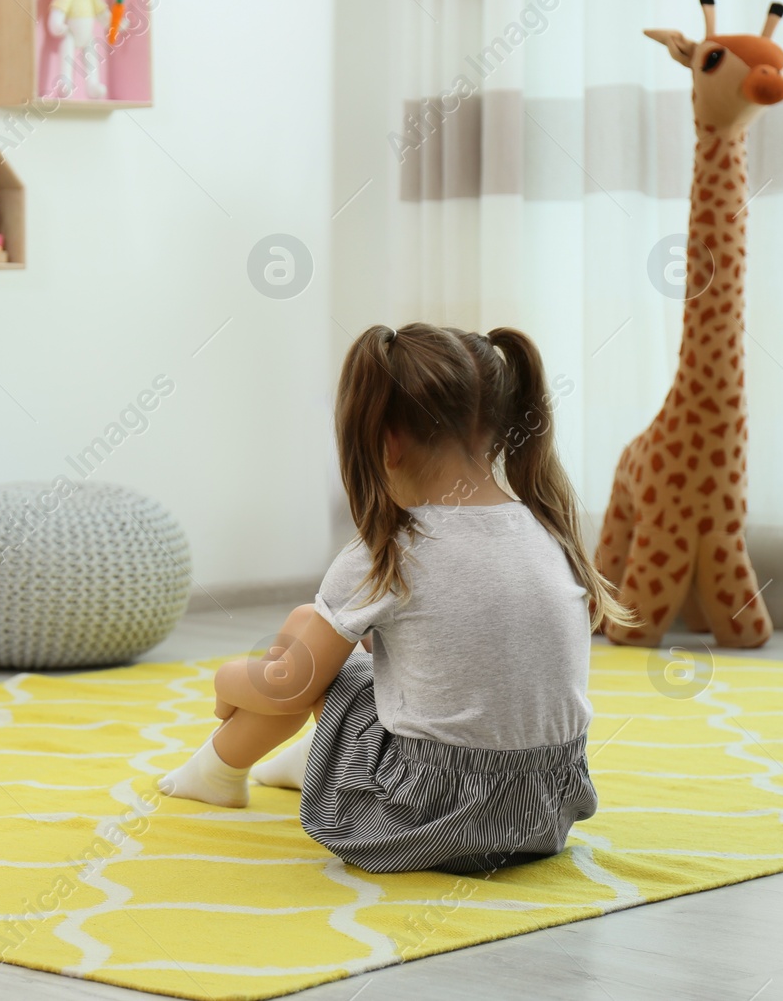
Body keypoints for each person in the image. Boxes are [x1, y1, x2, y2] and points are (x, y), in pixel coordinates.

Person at [157, 323, 633, 873]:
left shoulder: (389, 552)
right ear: (500, 430)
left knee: (312, 660)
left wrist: (225, 680)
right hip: (540, 814)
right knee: (322, 630)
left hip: (419, 819)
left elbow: (290, 686)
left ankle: (217, 772)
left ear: (386, 440)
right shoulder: (547, 527)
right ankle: (305, 760)